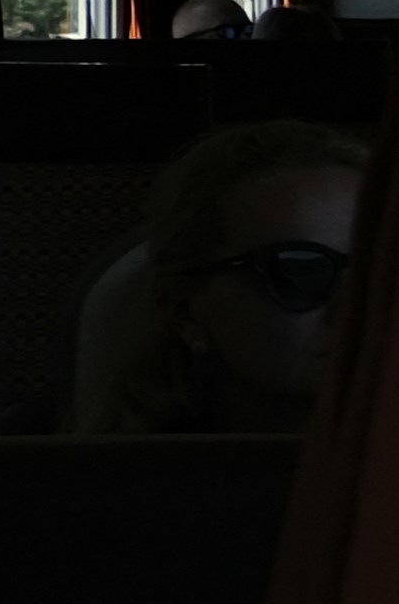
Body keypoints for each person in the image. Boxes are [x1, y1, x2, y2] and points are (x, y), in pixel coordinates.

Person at [73, 117, 369, 431]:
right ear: (185, 311)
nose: (356, 305)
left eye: (386, 270)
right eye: (301, 270)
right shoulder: (128, 476)